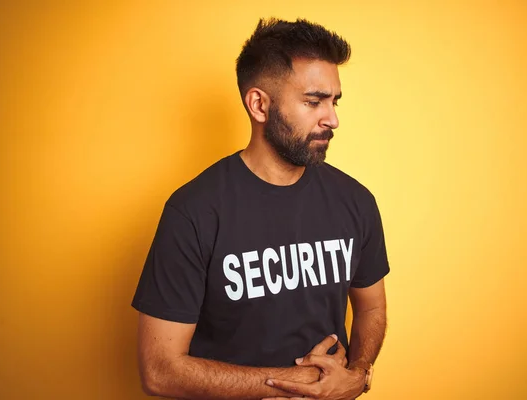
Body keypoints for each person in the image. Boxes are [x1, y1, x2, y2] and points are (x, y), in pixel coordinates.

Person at [131, 17, 389, 400]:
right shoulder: (193, 212)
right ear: (259, 105)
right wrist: (293, 382)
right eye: (313, 101)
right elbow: (159, 371)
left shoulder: (355, 200)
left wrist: (358, 372)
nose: (332, 119)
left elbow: (370, 310)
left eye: (334, 102)